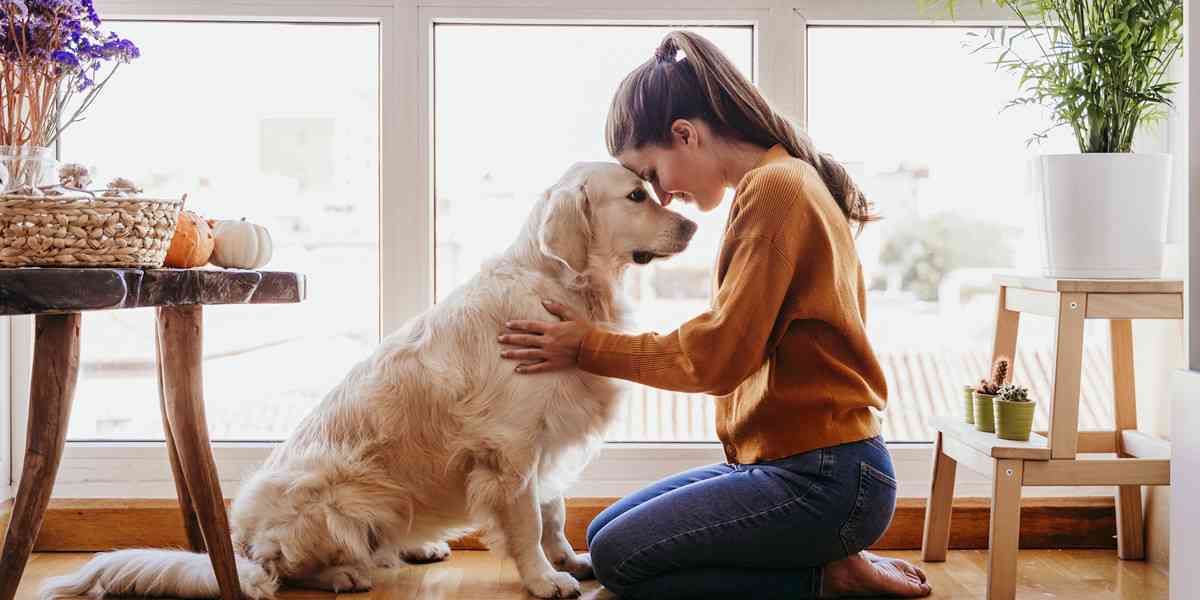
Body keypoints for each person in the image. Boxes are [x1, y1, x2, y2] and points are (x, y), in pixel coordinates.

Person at [497, 30, 932, 599]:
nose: (663, 197)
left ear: (685, 134)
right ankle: (827, 559)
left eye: (652, 175)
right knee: (603, 533)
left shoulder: (776, 191)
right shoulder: (780, 179)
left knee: (620, 558)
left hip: (827, 478)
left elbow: (718, 357)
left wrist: (585, 345)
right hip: (795, 466)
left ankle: (823, 577)